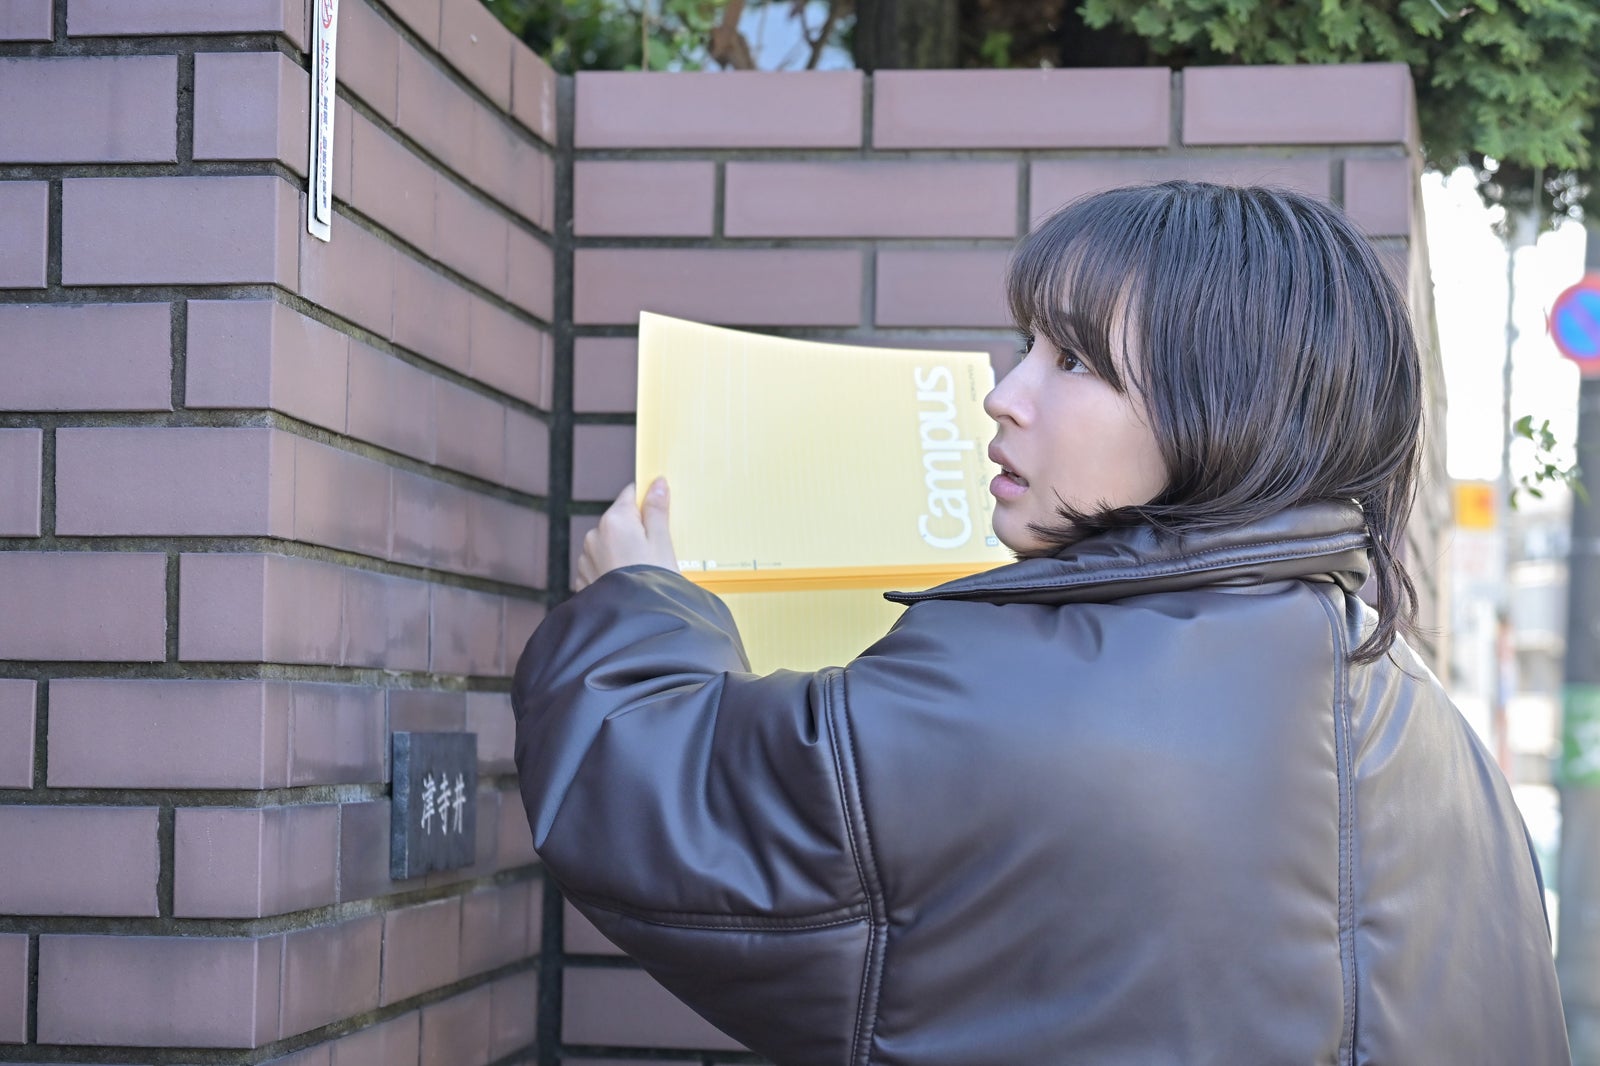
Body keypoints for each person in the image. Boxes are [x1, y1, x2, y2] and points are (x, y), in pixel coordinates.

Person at [513, 182, 1570, 1065]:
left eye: (1075, 362)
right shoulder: (1438, 730)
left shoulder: (1008, 687)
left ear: (1231, 407)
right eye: (1025, 347)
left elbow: (652, 794)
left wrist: (638, 604)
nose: (1005, 394)